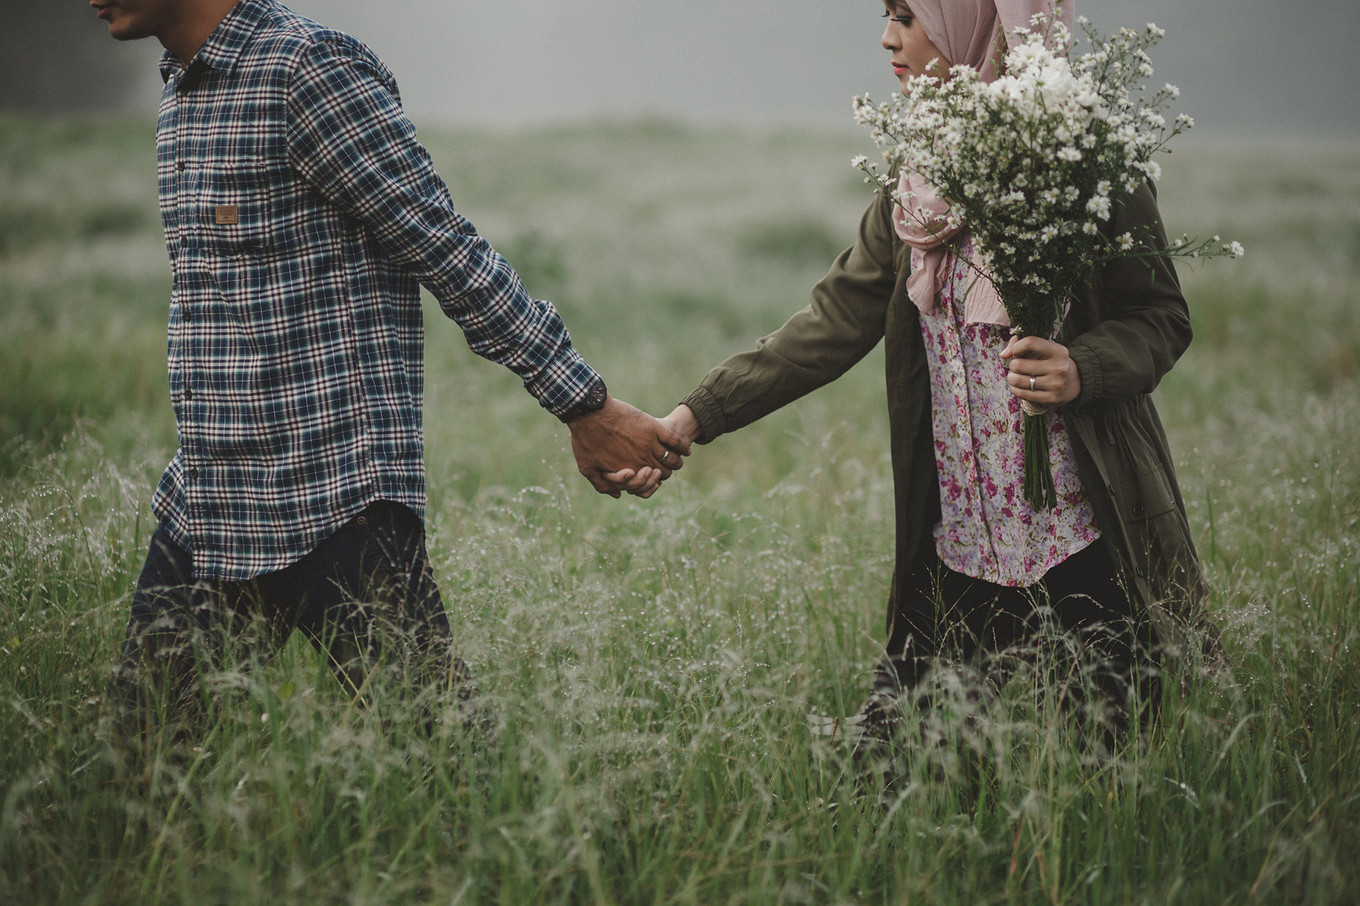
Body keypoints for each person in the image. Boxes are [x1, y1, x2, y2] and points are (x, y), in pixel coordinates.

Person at [92, 0, 690, 740]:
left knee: (445, 766)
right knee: (136, 772)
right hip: (212, 500)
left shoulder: (309, 73)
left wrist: (581, 403)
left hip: (334, 495)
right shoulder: (183, 88)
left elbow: (444, 247)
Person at [657, 0, 1209, 748]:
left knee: (1112, 779)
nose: (887, 36)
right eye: (887, 14)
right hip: (960, 555)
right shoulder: (915, 180)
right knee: (892, 775)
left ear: (971, 25)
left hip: (1085, 544)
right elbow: (831, 321)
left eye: (909, 14)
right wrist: (693, 417)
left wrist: (1082, 367)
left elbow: (1162, 316)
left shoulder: (1082, 155)